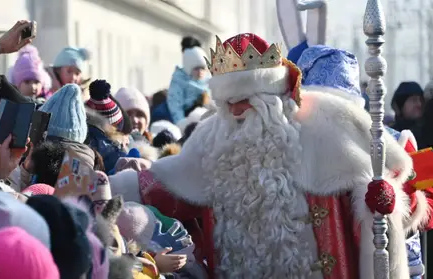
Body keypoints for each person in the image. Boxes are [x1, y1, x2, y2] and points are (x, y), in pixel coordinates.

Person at [109, 33, 422, 278]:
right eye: (226, 102)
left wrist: (382, 206)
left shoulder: (326, 126)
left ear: (272, 97)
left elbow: (387, 185)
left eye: (245, 99)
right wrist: (115, 186)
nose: (235, 111)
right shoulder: (214, 136)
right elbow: (170, 185)